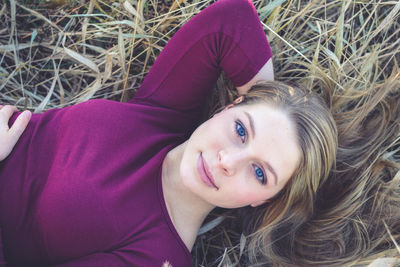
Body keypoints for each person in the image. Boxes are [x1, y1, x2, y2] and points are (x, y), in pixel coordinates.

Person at [1, 0, 398, 266]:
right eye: (240, 130)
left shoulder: (155, 255)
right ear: (228, 107)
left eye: (260, 173)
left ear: (263, 201)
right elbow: (231, 18)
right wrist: (274, 103)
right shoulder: (164, 114)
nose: (227, 161)